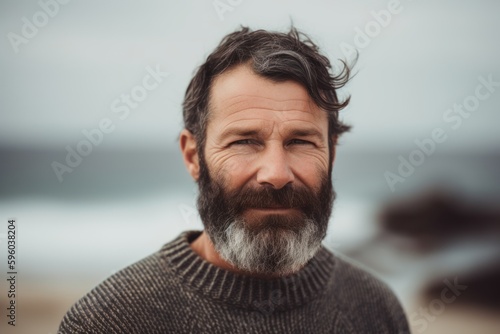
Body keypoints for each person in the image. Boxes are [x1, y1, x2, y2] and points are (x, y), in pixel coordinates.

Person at [58, 27, 410, 333]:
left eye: (300, 141)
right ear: (193, 156)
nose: (276, 174)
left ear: (332, 151)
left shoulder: (377, 310)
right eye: (244, 141)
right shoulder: (108, 323)